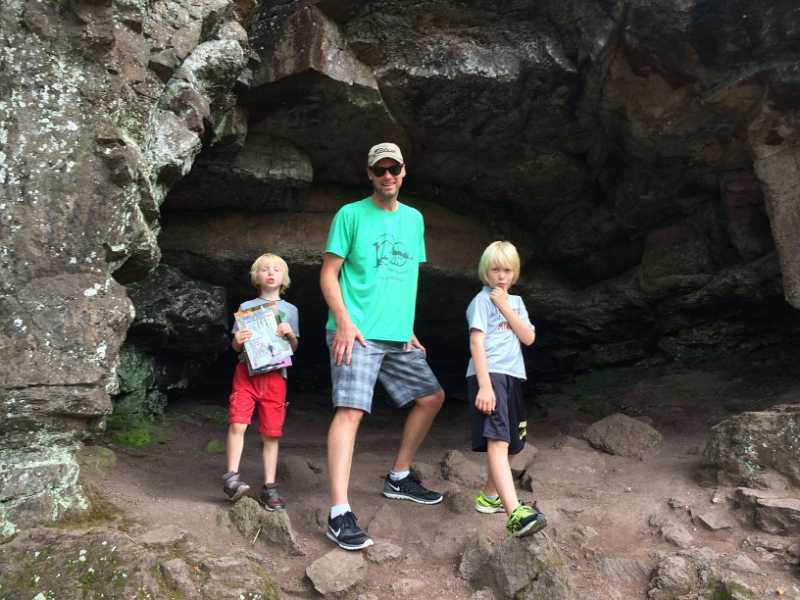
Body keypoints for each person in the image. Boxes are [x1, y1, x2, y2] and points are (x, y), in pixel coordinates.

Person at [320, 142, 445, 550]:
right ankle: (339, 513)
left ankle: (399, 477)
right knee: (350, 411)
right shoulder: (350, 215)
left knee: (431, 397)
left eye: (394, 169)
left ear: (404, 172)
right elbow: (329, 273)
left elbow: (405, 278)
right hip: (356, 332)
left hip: (396, 335)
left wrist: (407, 327)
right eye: (380, 170)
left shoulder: (414, 219)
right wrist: (343, 322)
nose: (388, 176)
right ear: (370, 174)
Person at [466, 241, 547, 537]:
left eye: (507, 270)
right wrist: (485, 386)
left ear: (515, 273)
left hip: (513, 376)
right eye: (495, 270)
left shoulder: (517, 303)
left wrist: (504, 305)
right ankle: (515, 515)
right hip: (490, 375)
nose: (501, 276)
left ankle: (490, 497)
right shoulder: (480, 301)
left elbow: (528, 337)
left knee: (515, 442)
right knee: (498, 440)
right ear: (485, 271)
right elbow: (476, 343)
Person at [222, 253, 300, 511]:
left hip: (276, 377)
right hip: (247, 373)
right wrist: (237, 340)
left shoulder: (291, 310)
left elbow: (294, 348)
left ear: (284, 277)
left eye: (276, 269)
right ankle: (231, 478)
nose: (270, 273)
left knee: (271, 433)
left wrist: (290, 335)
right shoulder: (247, 307)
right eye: (265, 269)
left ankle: (269, 487)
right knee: (238, 422)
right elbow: (236, 346)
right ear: (256, 276)